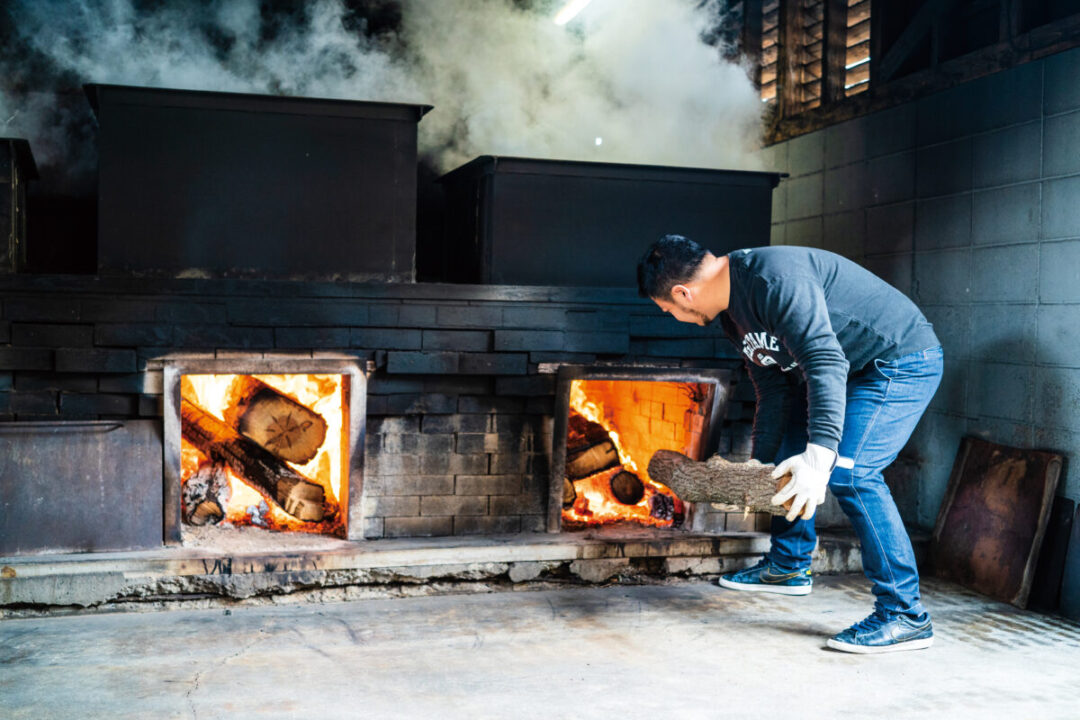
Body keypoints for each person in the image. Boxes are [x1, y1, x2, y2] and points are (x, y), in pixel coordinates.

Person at [636, 235, 943, 654]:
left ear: (682, 293)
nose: (676, 318)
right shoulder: (731, 316)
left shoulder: (774, 278)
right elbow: (774, 389)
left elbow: (825, 361)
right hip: (843, 369)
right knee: (784, 454)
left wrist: (820, 458)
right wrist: (758, 466)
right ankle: (788, 566)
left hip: (896, 361)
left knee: (852, 474)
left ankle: (905, 615)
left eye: (668, 311)